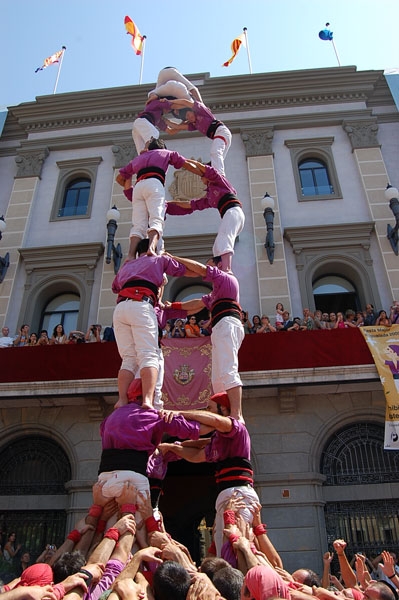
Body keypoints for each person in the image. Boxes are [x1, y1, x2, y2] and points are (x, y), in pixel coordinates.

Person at [159, 391, 260, 556]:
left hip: (239, 494)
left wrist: (178, 414)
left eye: (210, 408)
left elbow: (213, 421)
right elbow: (196, 454)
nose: (207, 411)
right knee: (223, 547)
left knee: (240, 544)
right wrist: (172, 447)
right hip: (227, 494)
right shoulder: (218, 439)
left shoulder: (235, 426)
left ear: (224, 410)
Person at [98, 377, 211, 509]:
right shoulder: (153, 416)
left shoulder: (110, 418)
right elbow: (200, 429)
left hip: (104, 479)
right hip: (133, 476)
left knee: (105, 522)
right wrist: (224, 423)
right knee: (140, 524)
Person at [111, 238, 190, 409]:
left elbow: (115, 286)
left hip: (120, 308)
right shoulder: (158, 259)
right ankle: (148, 399)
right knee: (149, 355)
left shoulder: (127, 265)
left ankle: (122, 399)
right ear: (155, 247)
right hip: (141, 305)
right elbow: (182, 270)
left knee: (129, 358)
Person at [166, 254, 244, 422]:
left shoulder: (225, 278)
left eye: (210, 265)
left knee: (228, 370)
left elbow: (200, 269)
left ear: (220, 265)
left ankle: (237, 414)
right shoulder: (215, 294)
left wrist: (173, 258)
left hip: (227, 324)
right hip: (220, 327)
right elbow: (195, 304)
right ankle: (222, 413)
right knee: (217, 378)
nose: (207, 270)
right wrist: (171, 306)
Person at [116, 137, 199, 259]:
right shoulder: (166, 153)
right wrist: (203, 172)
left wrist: (132, 171)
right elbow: (187, 164)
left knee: (138, 225)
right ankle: (151, 248)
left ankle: (130, 255)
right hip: (154, 183)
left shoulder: (138, 159)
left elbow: (120, 178)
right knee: (156, 219)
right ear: (162, 147)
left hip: (139, 187)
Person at [166, 160, 245, 273]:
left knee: (224, 239)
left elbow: (203, 168)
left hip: (233, 211)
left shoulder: (218, 181)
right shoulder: (210, 196)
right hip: (231, 214)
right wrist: (168, 204)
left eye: (201, 175)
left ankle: (227, 269)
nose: (199, 177)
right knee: (217, 247)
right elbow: (191, 205)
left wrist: (184, 161)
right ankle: (220, 267)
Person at [165, 97, 231, 175]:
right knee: (214, 161)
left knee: (215, 152)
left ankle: (220, 176)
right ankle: (213, 177)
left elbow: (185, 102)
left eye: (188, 114)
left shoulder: (201, 111)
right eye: (187, 117)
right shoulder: (194, 125)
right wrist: (164, 121)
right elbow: (177, 127)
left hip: (221, 131)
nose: (189, 117)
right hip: (220, 135)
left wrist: (169, 102)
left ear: (192, 110)